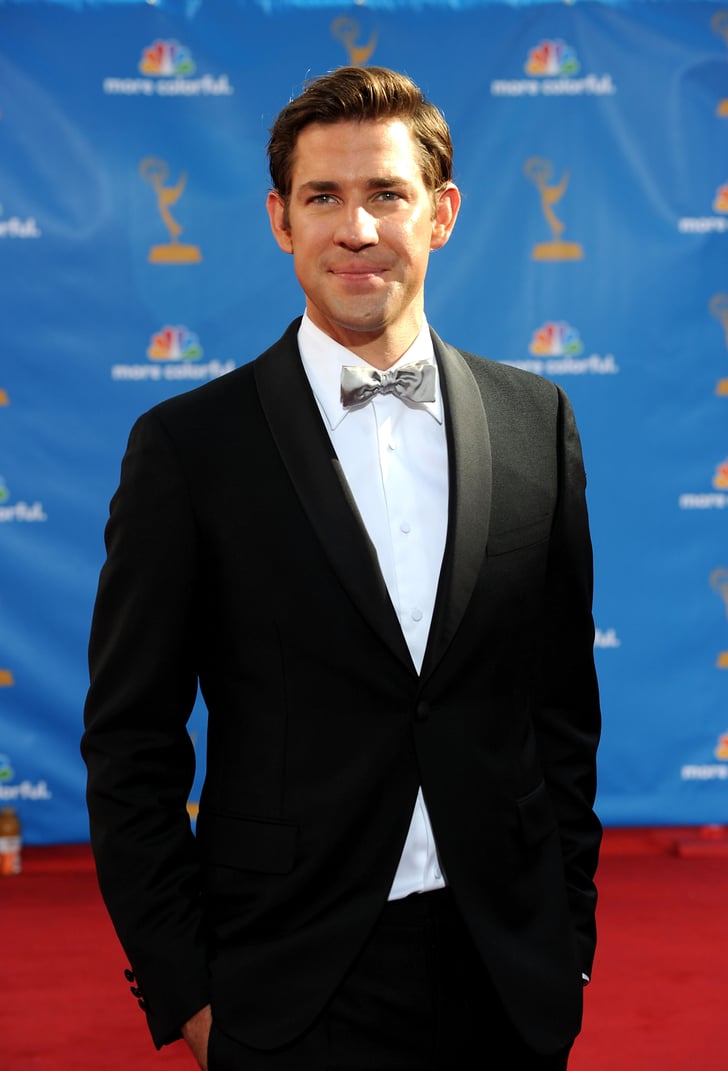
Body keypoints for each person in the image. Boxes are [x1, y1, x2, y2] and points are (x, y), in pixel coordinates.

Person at [81, 65, 602, 1071]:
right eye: (322, 197)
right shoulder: (189, 449)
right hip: (288, 989)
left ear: (441, 213)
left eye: (386, 195)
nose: (355, 229)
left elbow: (560, 711)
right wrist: (189, 996)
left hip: (507, 974)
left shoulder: (535, 422)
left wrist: (567, 942)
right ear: (279, 219)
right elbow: (130, 744)